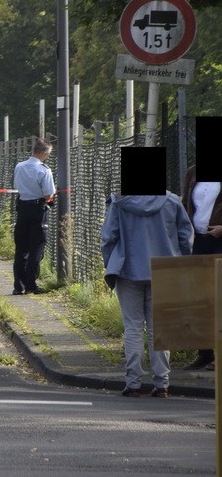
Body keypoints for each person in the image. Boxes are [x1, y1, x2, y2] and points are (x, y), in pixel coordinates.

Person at [102, 190, 193, 397]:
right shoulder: (171, 201)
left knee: (132, 327)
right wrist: (181, 263)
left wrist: (111, 263)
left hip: (127, 269)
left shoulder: (120, 202)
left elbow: (109, 237)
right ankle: (162, 384)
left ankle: (133, 383)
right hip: (164, 270)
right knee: (159, 328)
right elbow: (185, 237)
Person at [180, 165, 222, 371]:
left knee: (219, 297)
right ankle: (205, 353)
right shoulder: (192, 172)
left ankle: (219, 355)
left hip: (219, 241)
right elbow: (185, 204)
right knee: (199, 297)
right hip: (198, 240)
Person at [12, 138, 56, 295]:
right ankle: (31, 284)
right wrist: (50, 198)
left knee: (21, 249)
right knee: (36, 248)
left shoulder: (19, 166)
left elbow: (17, 186)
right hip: (38, 210)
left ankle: (19, 285)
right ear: (43, 153)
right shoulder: (44, 170)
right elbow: (48, 194)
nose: (48, 157)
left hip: (22, 209)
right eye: (48, 154)